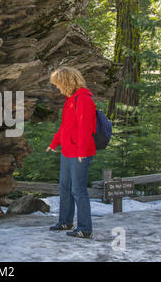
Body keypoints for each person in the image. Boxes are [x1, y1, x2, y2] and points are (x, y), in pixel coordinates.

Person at [45, 67, 97, 239]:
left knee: (78, 190)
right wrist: (54, 143)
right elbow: (65, 126)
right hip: (67, 151)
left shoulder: (83, 99)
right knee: (65, 187)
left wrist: (82, 151)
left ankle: (85, 229)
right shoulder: (70, 99)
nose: (57, 88)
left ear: (66, 82)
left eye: (58, 84)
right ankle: (65, 221)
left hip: (80, 152)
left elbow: (85, 127)